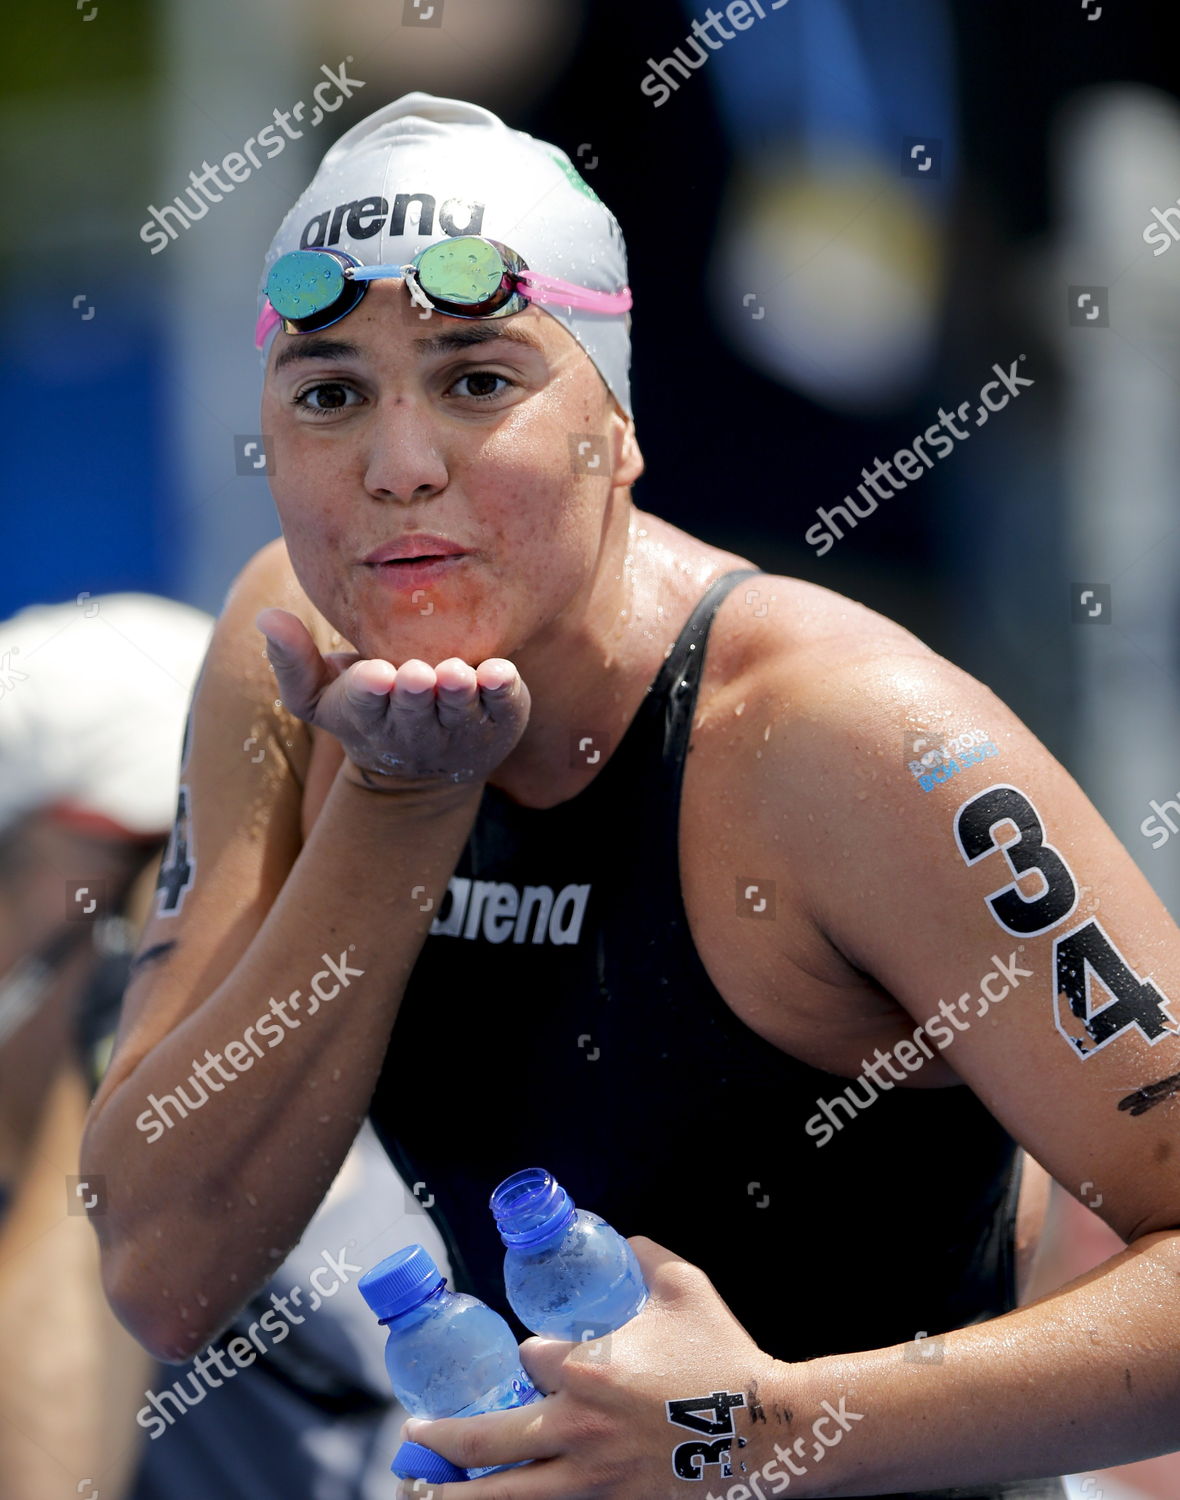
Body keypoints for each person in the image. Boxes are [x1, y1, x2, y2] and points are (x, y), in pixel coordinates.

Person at [81, 93, 1180, 1500]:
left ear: (617, 430)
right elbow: (163, 1267)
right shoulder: (291, 645)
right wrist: (398, 805)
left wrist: (756, 1434)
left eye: (479, 381)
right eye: (330, 393)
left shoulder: (840, 740)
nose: (400, 465)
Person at [0, 593, 442, 1500]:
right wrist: (110, 1067)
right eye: (162, 863)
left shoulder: (365, 1142)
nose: (196, 914)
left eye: (257, 844)